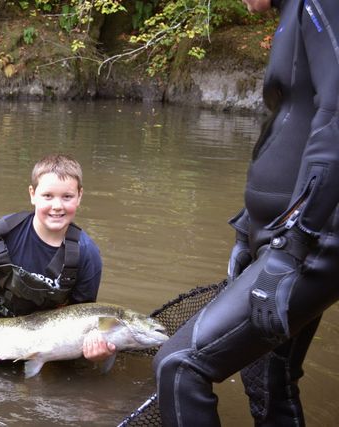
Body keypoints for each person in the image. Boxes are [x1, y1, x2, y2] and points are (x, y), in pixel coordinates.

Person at [153, 0, 339, 425]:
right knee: (268, 377)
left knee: (179, 366)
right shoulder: (293, 12)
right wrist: (247, 227)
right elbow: (292, 131)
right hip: (282, 230)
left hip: (315, 233)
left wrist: (292, 247)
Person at [0, 154, 115, 362]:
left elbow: (84, 318)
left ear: (79, 196)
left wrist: (97, 354)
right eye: (48, 196)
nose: (57, 206)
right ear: (33, 194)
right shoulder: (2, 234)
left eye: (67, 196)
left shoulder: (87, 254)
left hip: (53, 345)